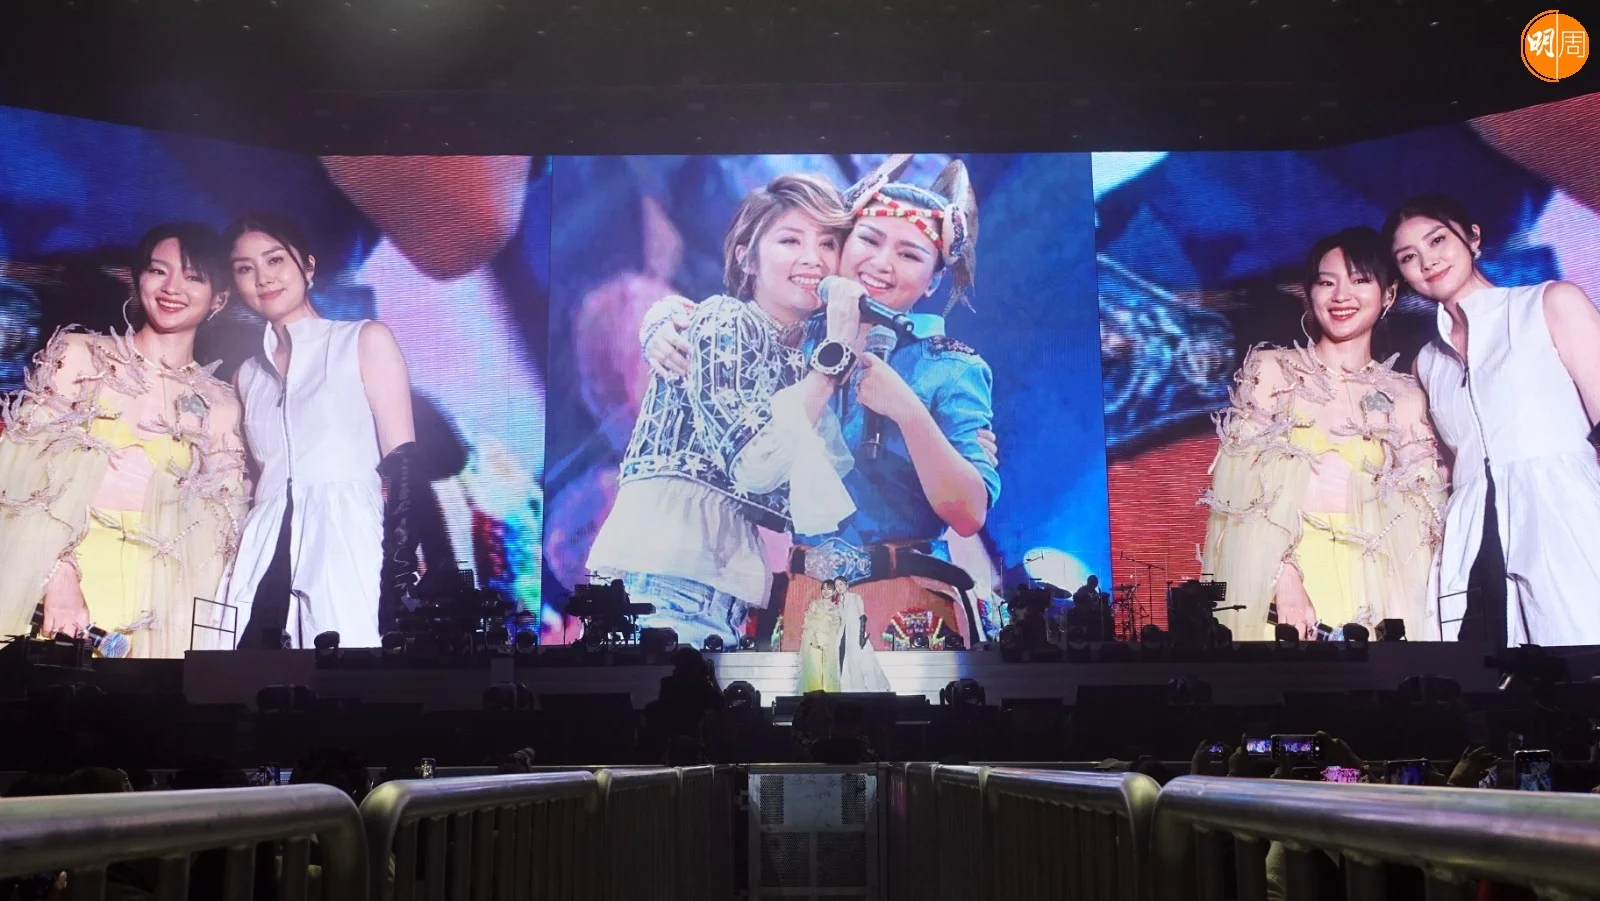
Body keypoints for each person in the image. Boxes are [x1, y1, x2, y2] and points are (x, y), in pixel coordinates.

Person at [643, 155, 1000, 650]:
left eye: (910, 254)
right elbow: (726, 329)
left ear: (934, 281)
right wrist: (660, 322)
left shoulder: (951, 366)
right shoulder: (796, 339)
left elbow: (969, 514)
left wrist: (909, 412)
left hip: (907, 605)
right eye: (869, 240)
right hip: (801, 601)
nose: (882, 263)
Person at [586, 174, 861, 647]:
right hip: (665, 588)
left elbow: (815, 496)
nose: (813, 258)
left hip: (709, 598)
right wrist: (833, 358)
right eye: (790, 240)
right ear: (745, 257)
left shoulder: (792, 360)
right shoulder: (726, 321)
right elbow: (755, 463)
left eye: (828, 244)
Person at [0, 223, 248, 658]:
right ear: (138, 278)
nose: (172, 288)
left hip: (162, 603)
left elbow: (220, 534)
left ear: (219, 299)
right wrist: (57, 578)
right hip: (63, 590)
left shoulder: (221, 403)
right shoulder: (79, 356)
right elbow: (18, 479)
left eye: (193, 277)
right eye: (158, 271)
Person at [1201, 227, 1445, 641]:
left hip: (1377, 590)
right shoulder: (1272, 371)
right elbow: (1239, 493)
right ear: (1309, 292)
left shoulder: (1406, 396)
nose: (1341, 296)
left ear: (1388, 294)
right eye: (1326, 283)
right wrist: (1284, 583)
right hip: (1279, 584)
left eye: (1360, 280)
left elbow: (1422, 523)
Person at [1385, 195, 1600, 646]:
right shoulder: (1427, 363)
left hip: (1564, 513)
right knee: (1489, 675)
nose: (1427, 261)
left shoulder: (1549, 303)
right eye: (1408, 257)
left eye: (1437, 240)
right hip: (1473, 534)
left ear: (1473, 238)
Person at [218, 213, 418, 650]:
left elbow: (403, 464)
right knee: (241, 669)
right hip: (265, 539)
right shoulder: (245, 376)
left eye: (275, 260)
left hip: (346, 533)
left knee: (343, 668)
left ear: (307, 266)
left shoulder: (363, 340)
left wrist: (399, 571)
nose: (263, 278)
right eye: (246, 269)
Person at [798, 577, 892, 693]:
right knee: (846, 663)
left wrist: (861, 636)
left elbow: (862, 616)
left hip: (855, 633)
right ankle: (850, 689)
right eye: (836, 586)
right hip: (842, 636)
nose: (839, 587)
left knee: (863, 662)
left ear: (847, 585)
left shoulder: (855, 597)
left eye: (840, 584)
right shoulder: (837, 603)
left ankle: (868, 689)